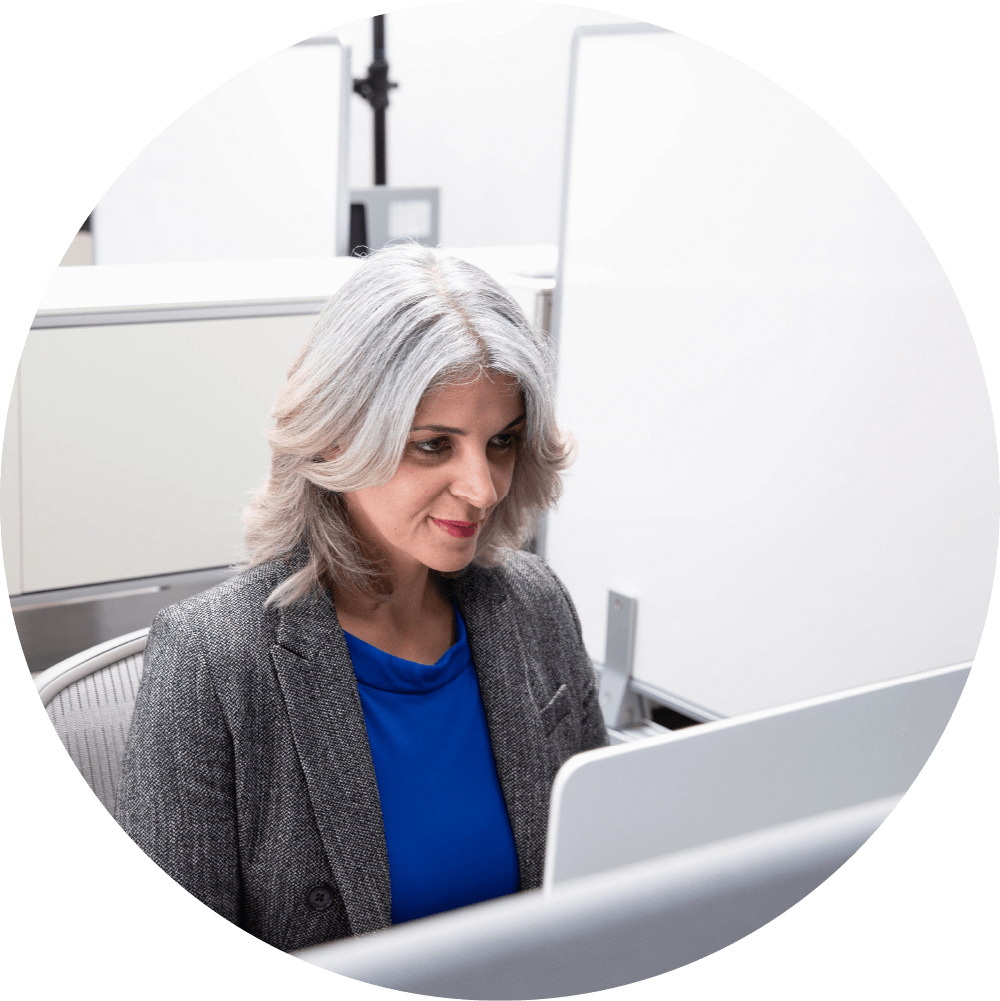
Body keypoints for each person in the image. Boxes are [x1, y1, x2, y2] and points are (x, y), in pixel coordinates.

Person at [114, 243, 609, 952]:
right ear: (342, 436)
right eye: (435, 445)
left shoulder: (534, 606)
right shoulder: (213, 660)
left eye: (502, 442)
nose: (484, 486)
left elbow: (598, 889)